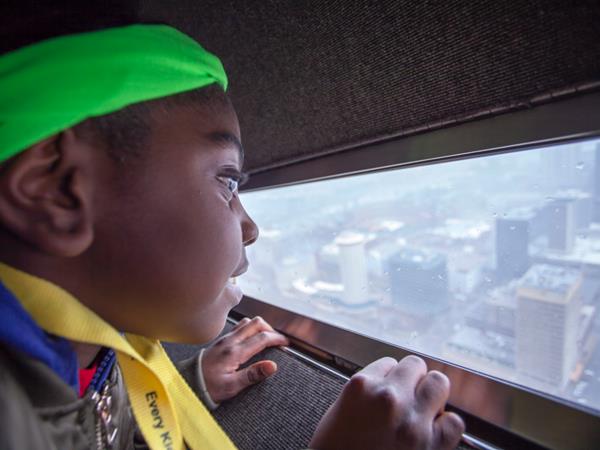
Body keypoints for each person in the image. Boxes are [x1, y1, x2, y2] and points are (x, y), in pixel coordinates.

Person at [0, 12, 465, 450]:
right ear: (56, 191)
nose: (250, 227)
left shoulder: (92, 351)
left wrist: (189, 383)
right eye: (226, 180)